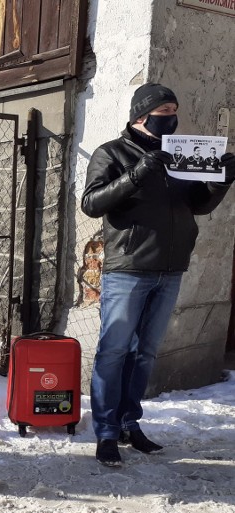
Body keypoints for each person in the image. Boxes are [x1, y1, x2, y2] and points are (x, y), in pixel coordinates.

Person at [81, 83, 235, 468]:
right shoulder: (111, 153)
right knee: (114, 351)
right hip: (129, 268)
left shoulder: (180, 155)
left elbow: (198, 205)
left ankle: (130, 423)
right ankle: (105, 432)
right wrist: (137, 174)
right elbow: (91, 203)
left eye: (174, 108)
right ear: (140, 115)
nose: (170, 115)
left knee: (144, 353)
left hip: (171, 268)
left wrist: (221, 181)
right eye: (163, 109)